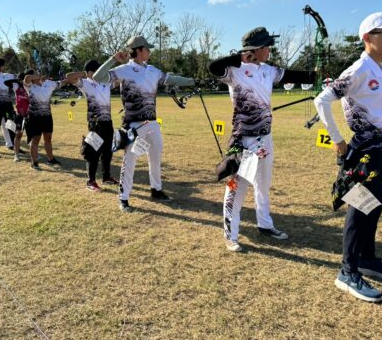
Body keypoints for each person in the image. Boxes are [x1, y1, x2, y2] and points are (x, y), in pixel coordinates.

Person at [314, 12, 382, 303]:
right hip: (361, 153)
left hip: (379, 149)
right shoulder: (360, 68)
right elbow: (321, 100)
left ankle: (366, 258)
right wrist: (338, 142)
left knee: (373, 208)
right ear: (368, 38)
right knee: (358, 210)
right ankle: (347, 272)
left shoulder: (380, 69)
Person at [208, 27, 316, 252]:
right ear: (255, 50)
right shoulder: (233, 70)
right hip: (245, 140)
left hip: (265, 138)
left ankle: (265, 225)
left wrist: (317, 71)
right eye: (266, 46)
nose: (269, 49)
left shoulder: (269, 70)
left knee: (263, 185)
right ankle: (231, 234)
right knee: (237, 189)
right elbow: (212, 67)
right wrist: (240, 57)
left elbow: (298, 75)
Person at [93, 36, 195, 212]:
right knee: (130, 161)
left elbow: (171, 79)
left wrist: (192, 81)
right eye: (147, 49)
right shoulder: (124, 69)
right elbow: (98, 77)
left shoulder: (153, 70)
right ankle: (123, 198)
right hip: (134, 126)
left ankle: (156, 190)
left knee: (155, 157)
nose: (149, 51)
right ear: (139, 50)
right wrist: (113, 60)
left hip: (152, 124)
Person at [65, 60, 119, 191]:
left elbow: (118, 82)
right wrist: (85, 74)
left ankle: (106, 177)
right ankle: (91, 181)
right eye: (98, 71)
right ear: (91, 72)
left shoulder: (106, 83)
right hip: (95, 123)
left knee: (107, 151)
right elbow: (69, 77)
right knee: (93, 152)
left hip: (108, 122)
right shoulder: (86, 83)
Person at [23, 73, 64, 170]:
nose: (38, 76)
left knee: (48, 138)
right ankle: (34, 162)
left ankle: (50, 159)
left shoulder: (48, 84)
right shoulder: (30, 87)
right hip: (34, 117)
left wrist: (68, 80)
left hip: (47, 116)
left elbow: (61, 82)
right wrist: (39, 76)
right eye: (35, 75)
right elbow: (27, 78)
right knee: (35, 139)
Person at [4, 71, 31, 162]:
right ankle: (16, 155)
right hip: (19, 114)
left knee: (31, 135)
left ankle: (34, 154)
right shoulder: (16, 87)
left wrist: (24, 81)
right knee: (18, 134)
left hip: (30, 113)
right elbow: (6, 82)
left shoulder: (29, 86)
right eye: (20, 79)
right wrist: (17, 79)